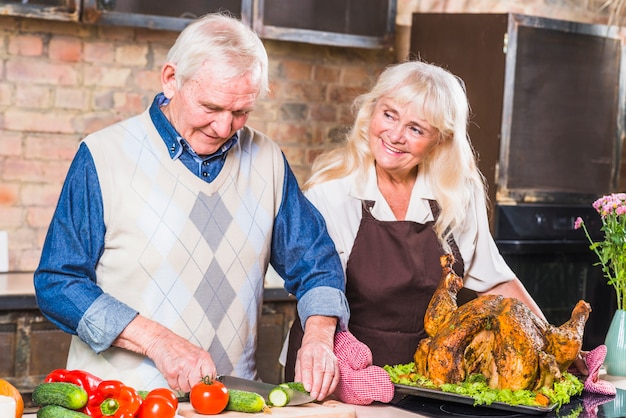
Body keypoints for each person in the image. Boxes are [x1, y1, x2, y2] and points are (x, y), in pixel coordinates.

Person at [33, 12, 349, 399]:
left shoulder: (267, 159)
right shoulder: (103, 155)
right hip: (116, 402)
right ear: (171, 79)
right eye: (211, 108)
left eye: (240, 112)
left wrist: (318, 335)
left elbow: (317, 262)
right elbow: (58, 283)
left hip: (228, 402)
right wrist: (157, 341)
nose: (223, 127)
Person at [286, 60, 588, 379]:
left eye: (416, 129)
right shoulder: (331, 192)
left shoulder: (457, 193)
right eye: (389, 115)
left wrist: (551, 344)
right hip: (339, 370)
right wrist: (331, 355)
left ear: (439, 140)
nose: (395, 135)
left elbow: (496, 281)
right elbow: (319, 285)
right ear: (372, 111)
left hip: (426, 375)